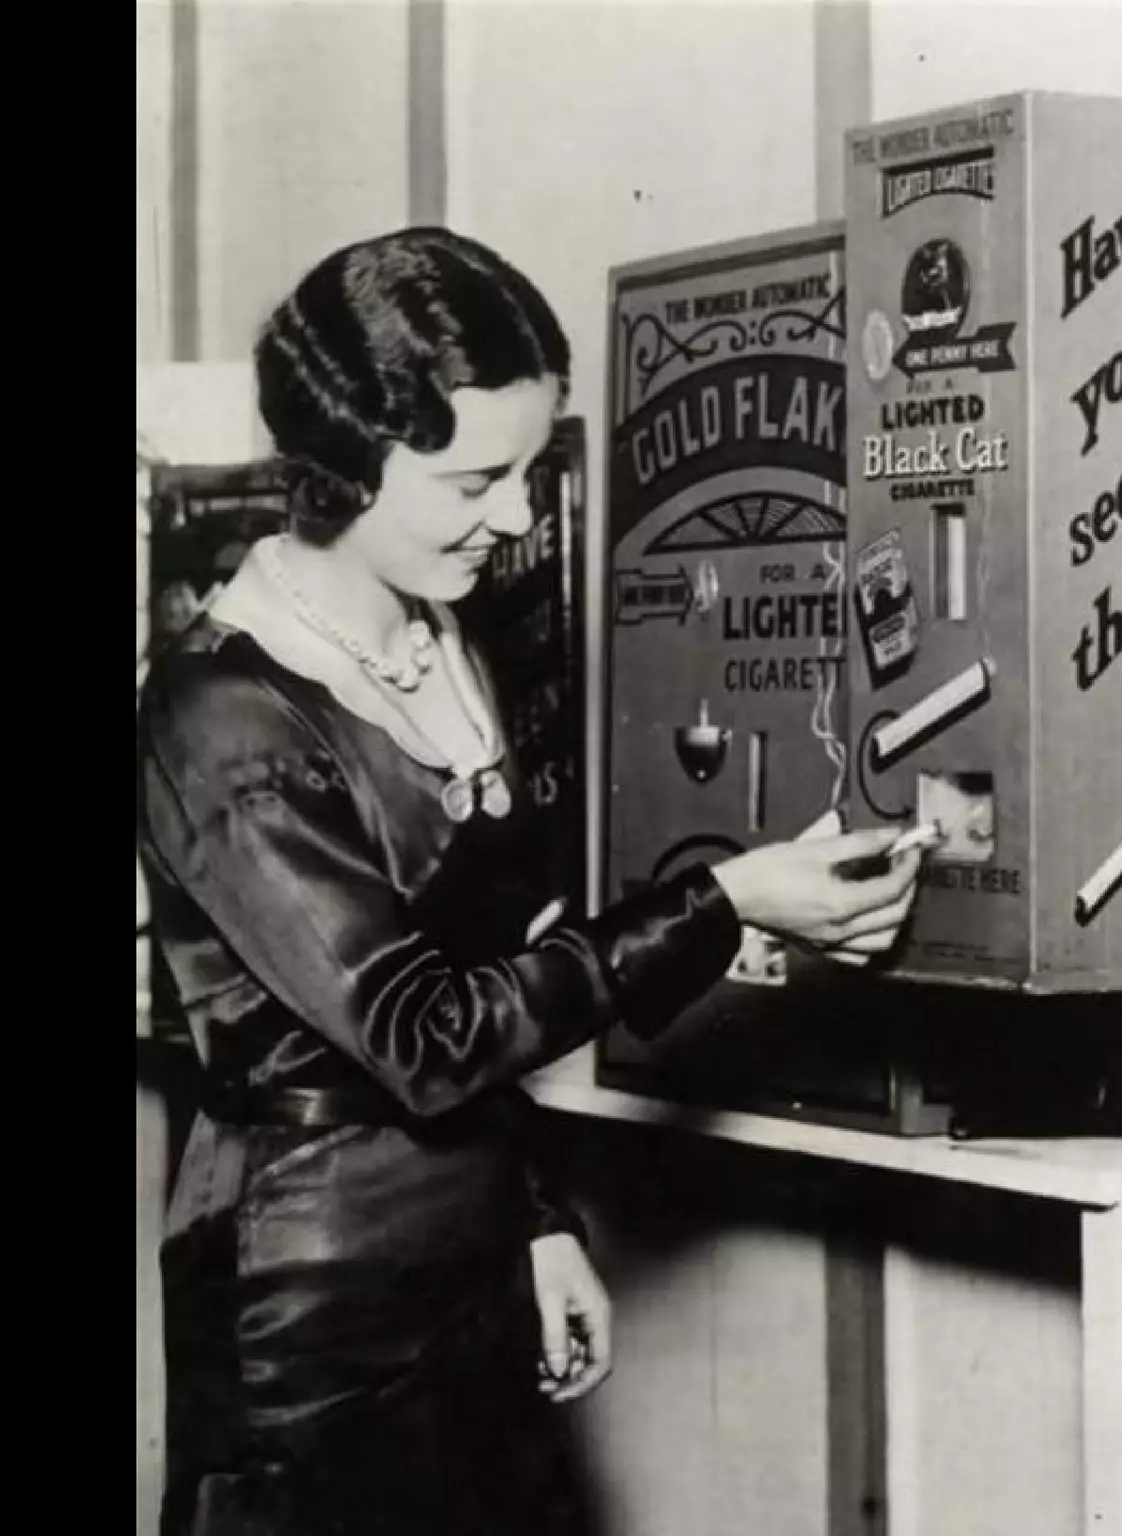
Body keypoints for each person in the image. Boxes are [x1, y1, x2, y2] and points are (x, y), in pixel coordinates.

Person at [135, 226, 925, 1536]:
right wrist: (725, 902)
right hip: (308, 1322)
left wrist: (540, 1222)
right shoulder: (220, 713)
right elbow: (430, 1036)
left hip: (472, 1273)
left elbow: (492, 957)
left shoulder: (440, 641)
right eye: (471, 481)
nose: (513, 519)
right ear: (342, 467)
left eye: (529, 470)